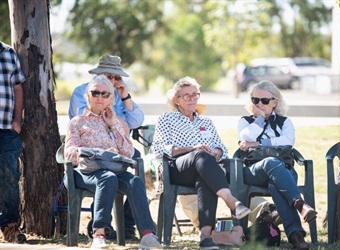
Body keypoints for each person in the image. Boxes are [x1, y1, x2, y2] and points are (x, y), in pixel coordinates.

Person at [151, 76, 251, 250]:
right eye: (186, 96)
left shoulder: (206, 121)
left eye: (195, 95)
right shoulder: (167, 119)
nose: (192, 99)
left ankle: (205, 235)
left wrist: (216, 152)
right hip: (177, 168)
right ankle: (230, 200)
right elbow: (159, 148)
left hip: (205, 169)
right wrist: (192, 148)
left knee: (205, 176)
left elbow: (222, 149)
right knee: (200, 155)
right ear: (177, 100)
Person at [64, 75, 160, 249]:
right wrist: (96, 153)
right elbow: (69, 153)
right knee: (107, 178)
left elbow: (129, 152)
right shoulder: (77, 122)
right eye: (95, 93)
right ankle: (99, 235)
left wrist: (112, 125)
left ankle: (147, 235)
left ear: (111, 98)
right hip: (86, 172)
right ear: (87, 96)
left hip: (113, 169)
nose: (100, 97)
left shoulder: (115, 122)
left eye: (105, 94)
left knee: (135, 181)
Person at [68, 54, 143, 239]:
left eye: (117, 77)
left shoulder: (119, 95)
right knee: (106, 174)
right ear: (98, 75)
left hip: (119, 145)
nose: (113, 81)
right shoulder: (84, 91)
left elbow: (136, 121)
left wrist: (125, 96)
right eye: (110, 76)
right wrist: (116, 123)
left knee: (137, 162)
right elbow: (89, 119)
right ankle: (101, 224)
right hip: (93, 149)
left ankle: (127, 224)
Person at [237, 80, 317, 250]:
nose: (259, 104)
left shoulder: (285, 122)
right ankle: (300, 204)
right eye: (255, 100)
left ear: (275, 102)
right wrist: (259, 119)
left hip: (283, 172)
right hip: (253, 171)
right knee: (271, 162)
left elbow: (287, 142)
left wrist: (258, 144)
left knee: (276, 184)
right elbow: (246, 136)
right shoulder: (245, 121)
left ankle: (296, 236)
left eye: (264, 101)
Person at [0, 41, 27, 243]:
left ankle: (9, 226)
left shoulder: (9, 53)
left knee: (10, 176)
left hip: (6, 129)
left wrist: (17, 120)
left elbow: (18, 87)